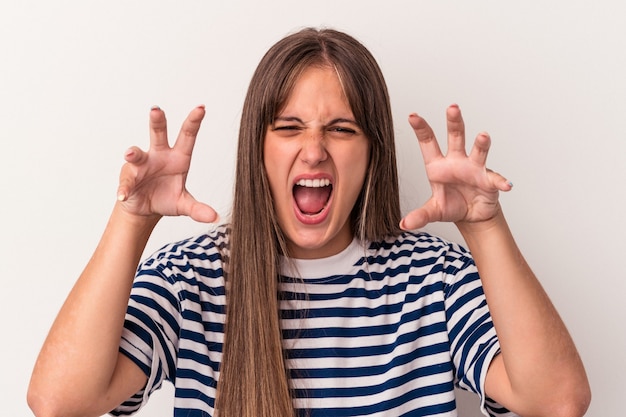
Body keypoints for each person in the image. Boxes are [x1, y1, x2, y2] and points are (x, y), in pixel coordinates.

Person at [27, 28, 590, 417]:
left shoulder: (434, 277)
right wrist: (132, 219)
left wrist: (485, 229)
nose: (315, 151)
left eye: (342, 129)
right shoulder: (190, 276)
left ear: (372, 153)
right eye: (289, 127)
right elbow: (59, 403)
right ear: (258, 149)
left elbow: (558, 402)